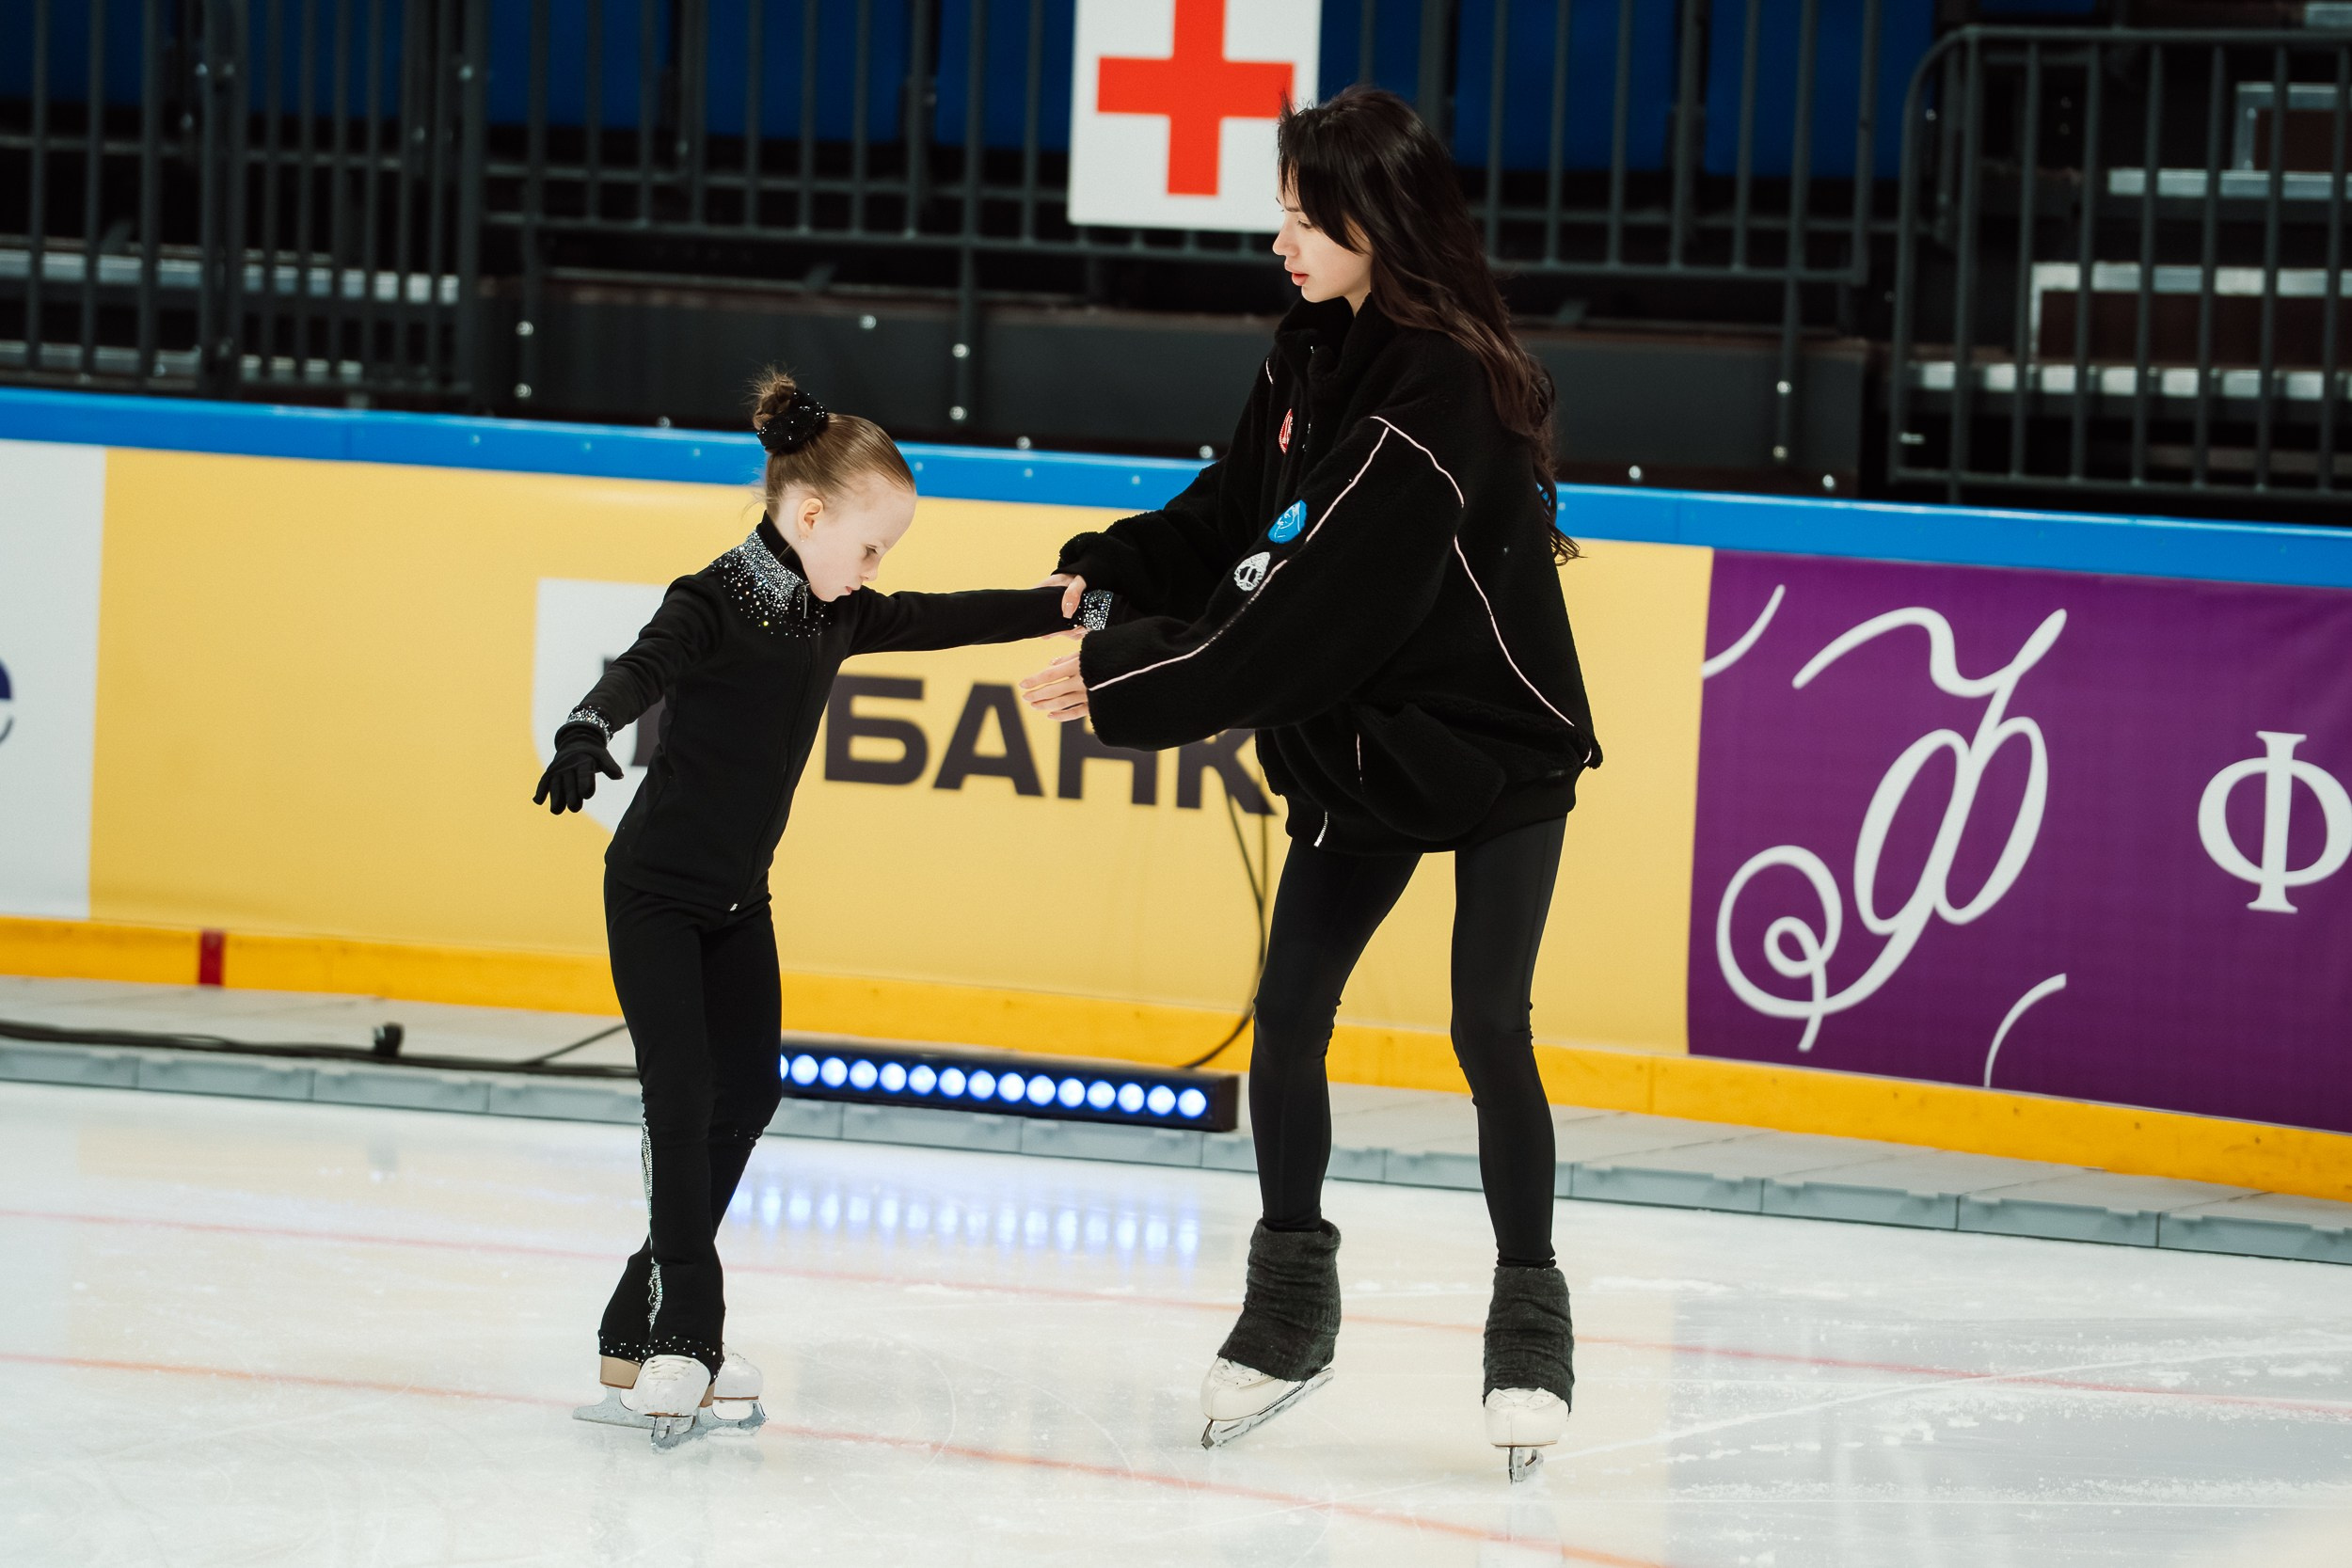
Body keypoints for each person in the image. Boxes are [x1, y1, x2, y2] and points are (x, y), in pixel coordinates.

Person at [1019, 87, 1600, 1479]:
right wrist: (1114, 567)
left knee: (1486, 1024)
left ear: (1377, 223)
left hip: (1493, 741)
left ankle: (1531, 1315)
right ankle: (1290, 1308)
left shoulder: (1435, 393)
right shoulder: (1305, 360)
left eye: (1302, 210)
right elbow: (1232, 518)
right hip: (1364, 743)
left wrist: (1136, 681)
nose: (1279, 235)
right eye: (1277, 205)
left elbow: (1307, 610)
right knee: (1288, 1011)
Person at [536, 369, 1110, 1449]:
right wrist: (583, 729)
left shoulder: (828, 613)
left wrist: (1069, 603)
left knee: (749, 1089)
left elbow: (951, 619)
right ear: (809, 517)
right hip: (655, 892)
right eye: (873, 544)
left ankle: (633, 1317)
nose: (879, 568)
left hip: (736, 900)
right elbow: (642, 669)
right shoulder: (712, 601)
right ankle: (686, 1337)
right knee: (681, 1099)